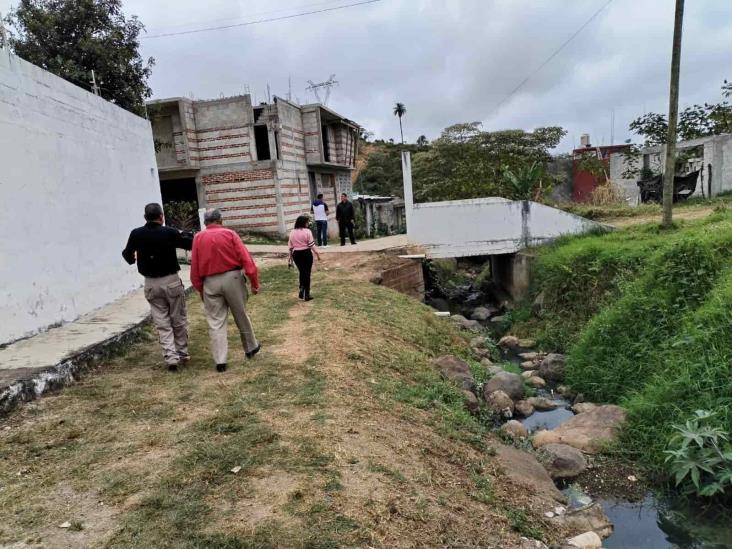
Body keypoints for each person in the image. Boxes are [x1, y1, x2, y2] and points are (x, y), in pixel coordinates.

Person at [122, 203, 193, 371]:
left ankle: (171, 356)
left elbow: (127, 254)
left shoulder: (136, 234)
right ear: (161, 216)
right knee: (178, 318)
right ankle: (182, 352)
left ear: (145, 217)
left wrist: (134, 260)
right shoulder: (169, 232)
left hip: (151, 283)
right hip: (171, 280)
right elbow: (189, 244)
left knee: (162, 321)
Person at [190, 209, 260, 372]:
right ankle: (250, 347)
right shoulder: (230, 234)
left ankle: (220, 360)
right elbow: (246, 259)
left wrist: (201, 289)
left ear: (205, 222)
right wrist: (254, 282)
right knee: (240, 314)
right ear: (220, 220)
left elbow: (195, 267)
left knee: (215, 322)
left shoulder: (198, 238)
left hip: (210, 281)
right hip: (233, 278)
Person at [288, 215, 321, 301]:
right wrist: (317, 253)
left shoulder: (292, 232)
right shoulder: (307, 231)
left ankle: (301, 288)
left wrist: (290, 259)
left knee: (302, 272)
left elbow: (290, 247)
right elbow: (311, 245)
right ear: (303, 223)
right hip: (306, 253)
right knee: (307, 273)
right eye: (306, 222)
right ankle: (307, 294)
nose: (307, 223)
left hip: (296, 254)